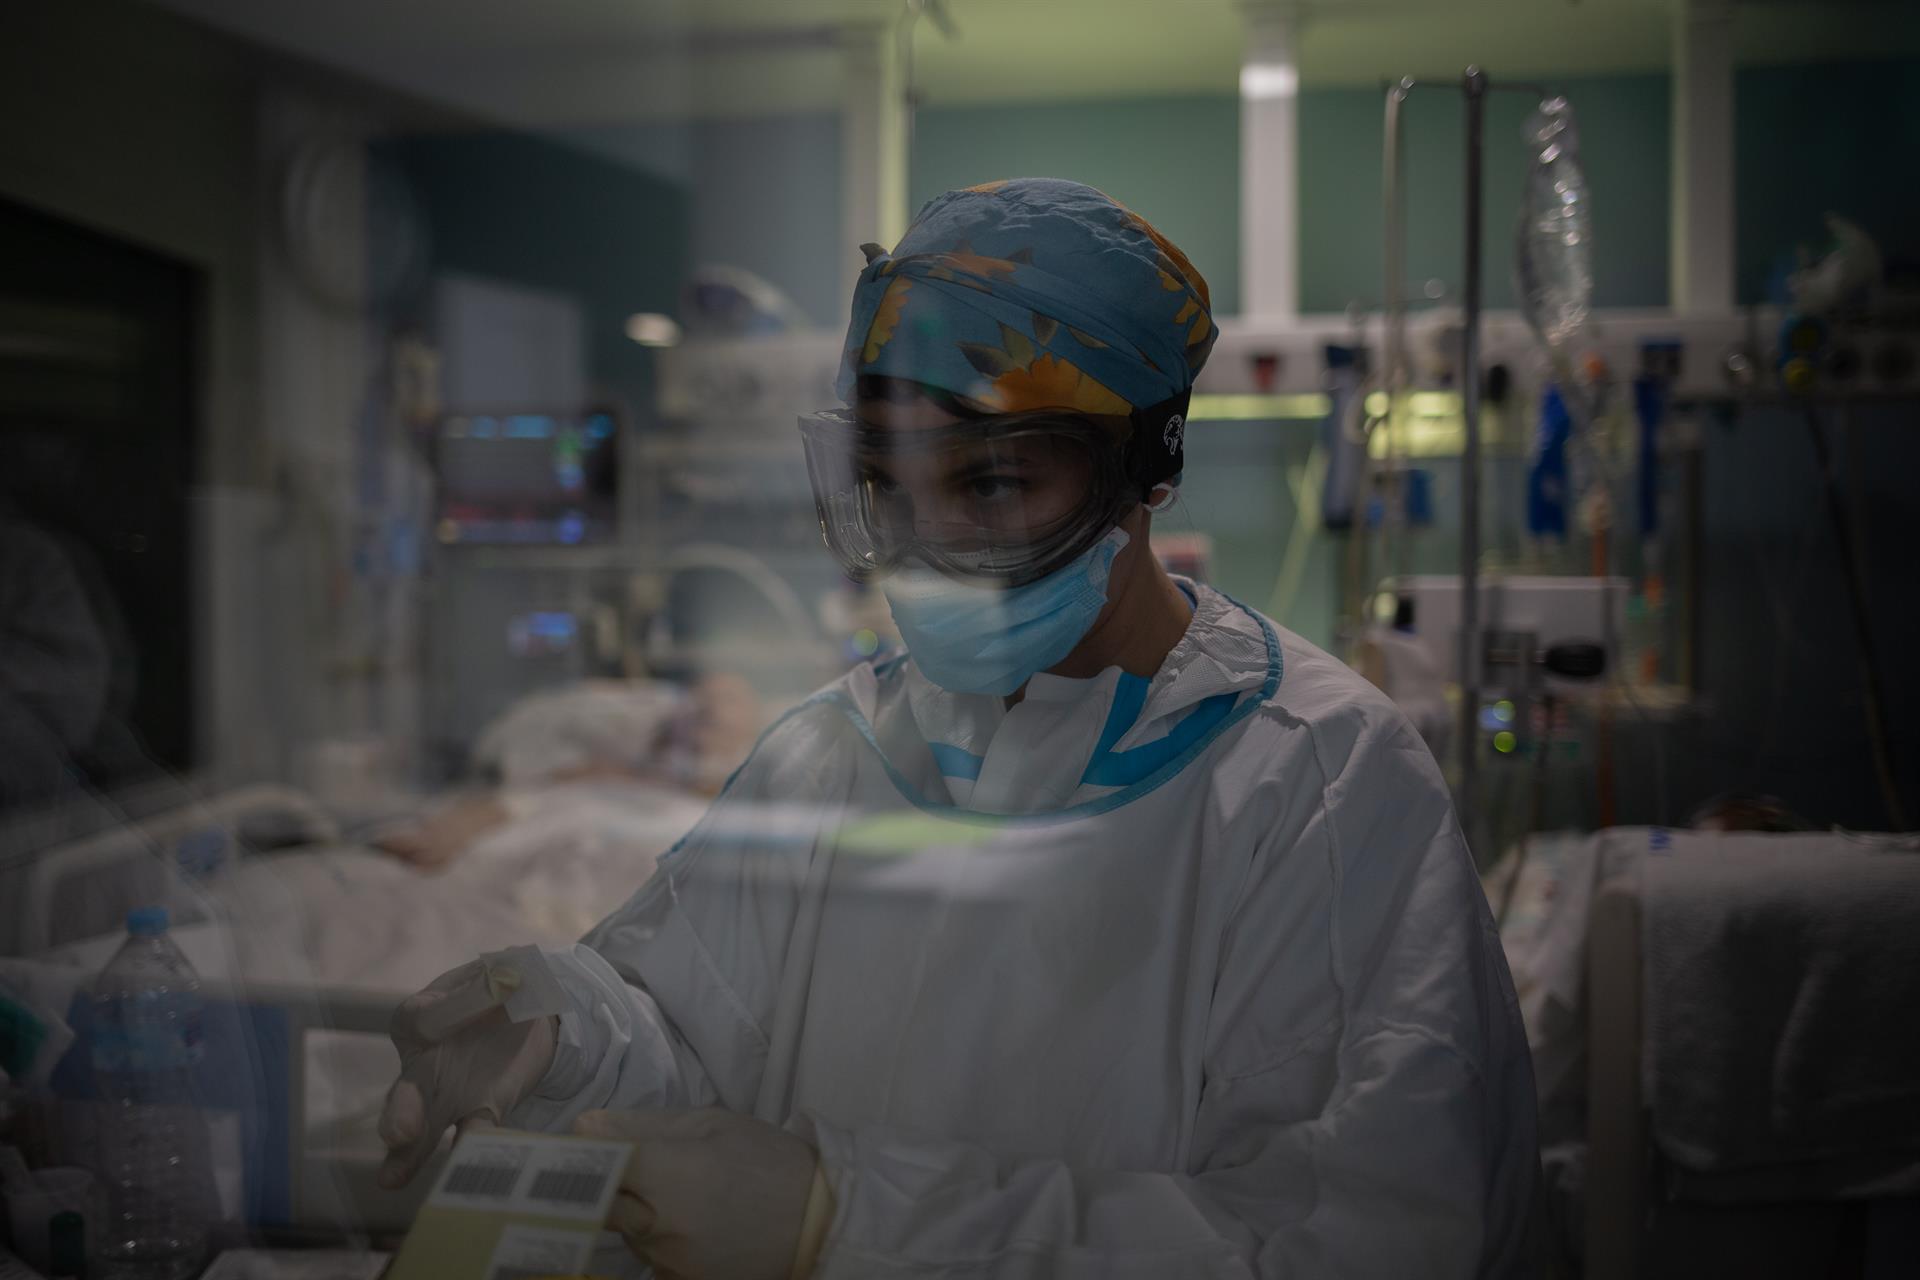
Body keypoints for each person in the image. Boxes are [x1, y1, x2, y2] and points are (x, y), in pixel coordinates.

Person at [378, 178, 1541, 1278]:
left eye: (991, 486)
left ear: (1146, 467)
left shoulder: (1317, 781)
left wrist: (851, 1223)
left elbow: (1351, 1236)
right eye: (893, 486)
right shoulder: (835, 751)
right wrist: (565, 1032)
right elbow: (685, 1041)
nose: (935, 545)